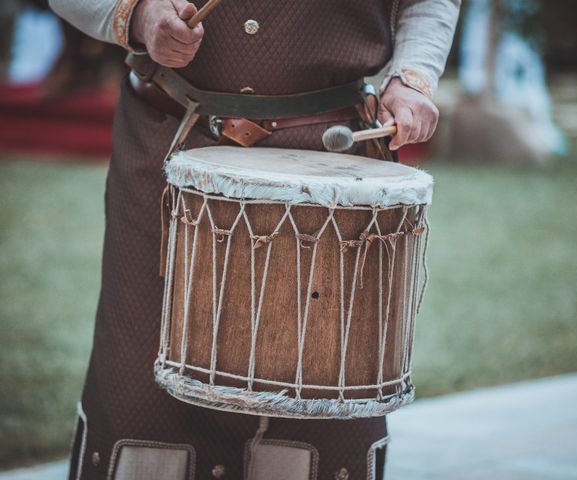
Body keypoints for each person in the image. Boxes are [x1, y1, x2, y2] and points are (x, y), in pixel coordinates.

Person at [48, 1, 460, 478]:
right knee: (142, 385)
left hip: (330, 157)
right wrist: (138, 13)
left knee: (320, 389)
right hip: (167, 143)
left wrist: (414, 75)